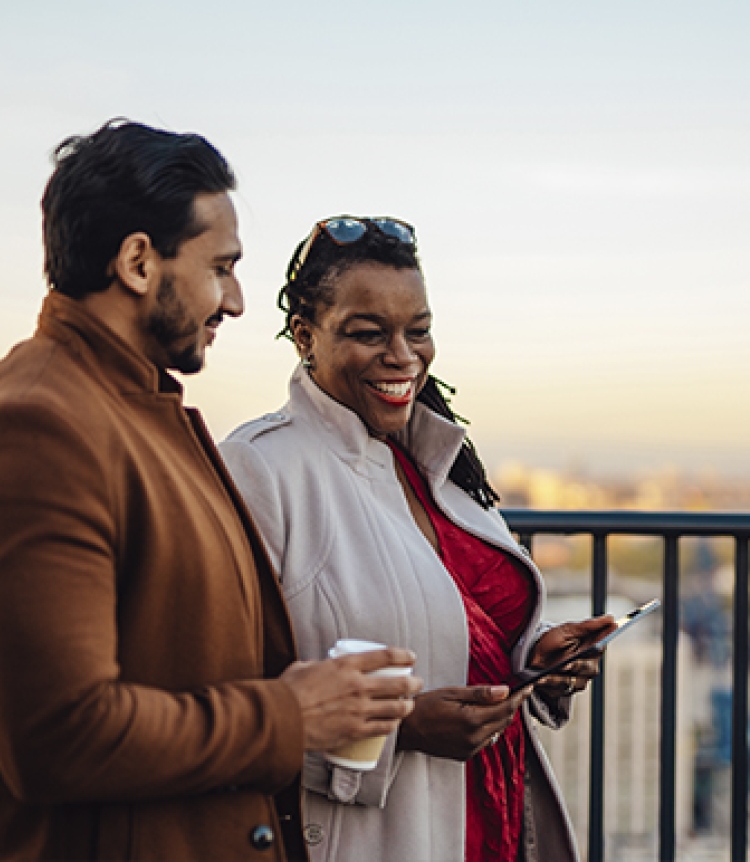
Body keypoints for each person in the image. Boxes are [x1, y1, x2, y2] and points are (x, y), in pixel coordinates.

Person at [0, 129, 421, 861]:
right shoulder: (37, 421)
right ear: (137, 262)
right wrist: (290, 712)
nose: (235, 299)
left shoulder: (123, 407)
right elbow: (57, 737)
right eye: (220, 267)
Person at [221, 216, 615, 862]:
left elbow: (451, 628)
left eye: (418, 330)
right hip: (377, 835)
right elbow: (226, 702)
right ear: (304, 337)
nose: (403, 355)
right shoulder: (261, 467)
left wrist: (532, 661)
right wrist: (400, 729)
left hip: (490, 822)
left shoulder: (435, 462)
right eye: (368, 332)